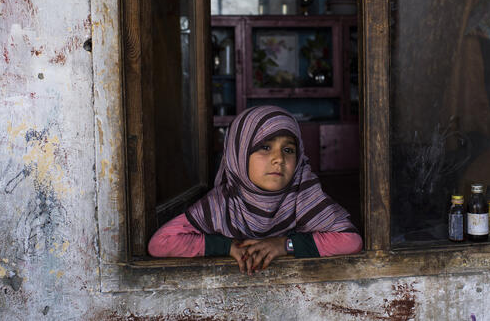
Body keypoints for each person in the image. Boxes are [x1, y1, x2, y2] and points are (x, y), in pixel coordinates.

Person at [148, 105, 362, 275]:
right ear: (238, 153)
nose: (279, 159)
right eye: (265, 147)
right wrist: (227, 247)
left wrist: (284, 245)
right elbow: (160, 243)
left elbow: (351, 240)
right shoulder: (221, 203)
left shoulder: (305, 196)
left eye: (288, 150)